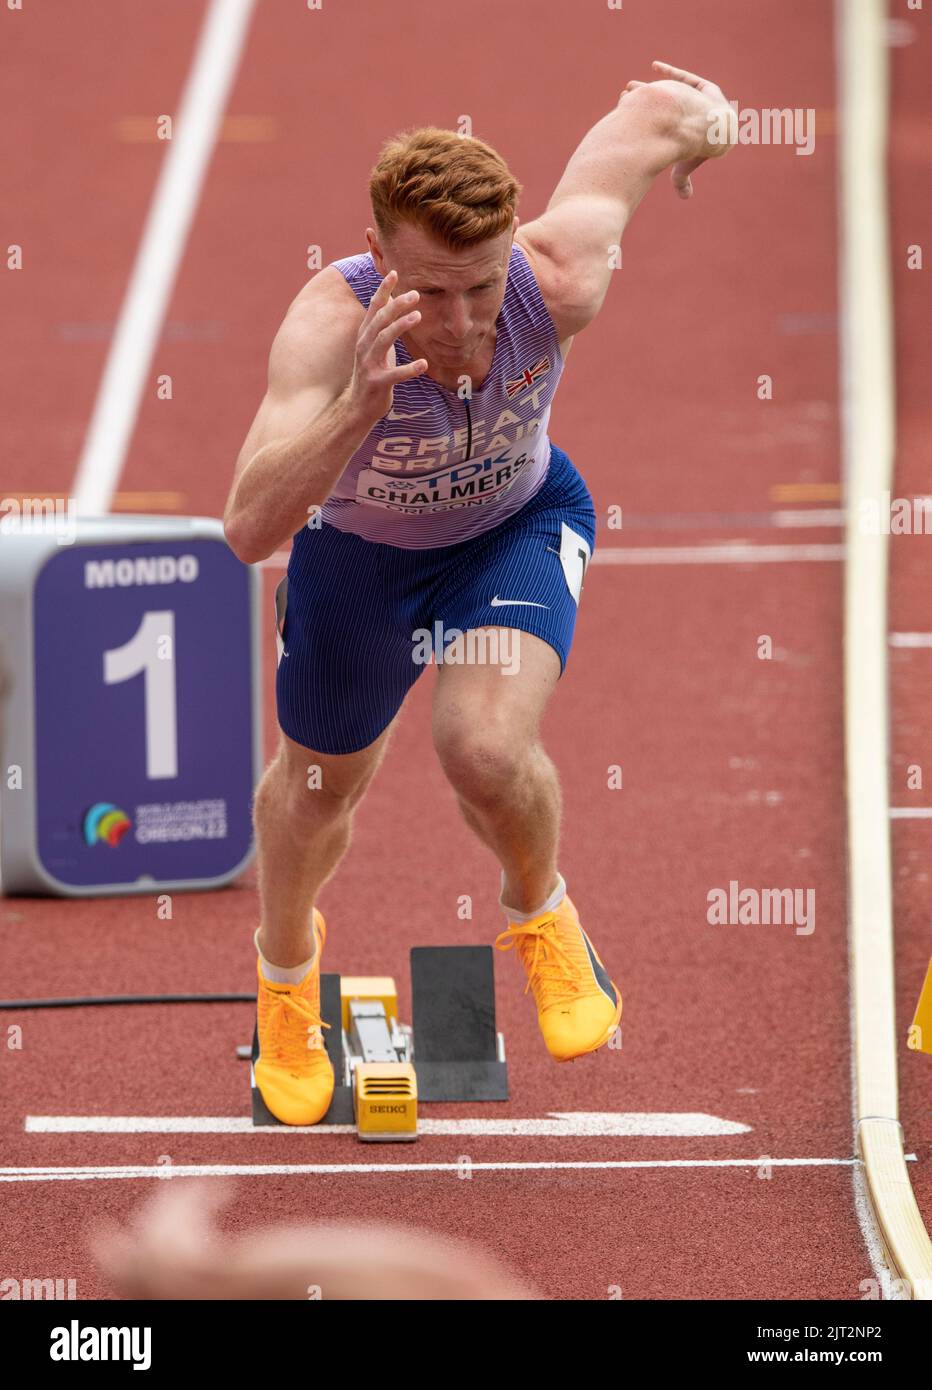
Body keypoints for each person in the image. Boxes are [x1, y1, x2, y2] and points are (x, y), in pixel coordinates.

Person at [223, 62, 735, 1125]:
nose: (460, 323)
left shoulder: (561, 279)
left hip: (512, 527)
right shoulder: (327, 329)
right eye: (432, 292)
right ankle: (283, 981)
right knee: (316, 796)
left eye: (480, 287)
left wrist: (709, 127)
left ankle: (540, 912)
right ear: (376, 258)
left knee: (485, 747)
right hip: (357, 560)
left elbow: (648, 118)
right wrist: (353, 415)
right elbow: (247, 529)